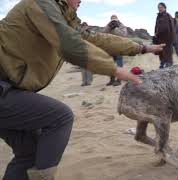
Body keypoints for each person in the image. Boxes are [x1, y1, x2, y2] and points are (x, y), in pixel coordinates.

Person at [0, 0, 164, 179]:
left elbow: (96, 38)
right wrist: (114, 69)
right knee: (60, 117)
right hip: (5, 88)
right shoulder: (40, 4)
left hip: (11, 89)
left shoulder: (65, 17)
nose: (81, 1)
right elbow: (68, 43)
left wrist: (141, 48)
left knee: (30, 152)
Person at [105, 15, 127, 86]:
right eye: (112, 20)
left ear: (117, 20)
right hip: (111, 47)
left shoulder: (121, 25)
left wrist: (116, 28)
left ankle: (119, 80)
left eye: (115, 20)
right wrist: (109, 27)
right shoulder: (108, 25)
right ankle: (112, 80)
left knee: (119, 64)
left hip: (119, 47)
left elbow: (124, 35)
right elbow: (104, 34)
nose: (114, 21)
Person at [154, 2, 176, 69]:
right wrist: (155, 33)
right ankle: (162, 65)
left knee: (167, 52)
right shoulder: (158, 16)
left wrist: (158, 32)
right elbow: (156, 26)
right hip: (160, 38)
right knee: (161, 52)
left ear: (165, 8)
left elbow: (166, 27)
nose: (159, 9)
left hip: (167, 38)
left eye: (161, 7)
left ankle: (169, 65)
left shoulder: (167, 15)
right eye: (158, 7)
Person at [79, 22, 93, 86]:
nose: (85, 27)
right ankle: (84, 81)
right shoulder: (79, 33)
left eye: (86, 26)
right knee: (82, 68)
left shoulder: (90, 33)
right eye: (83, 26)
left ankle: (89, 81)